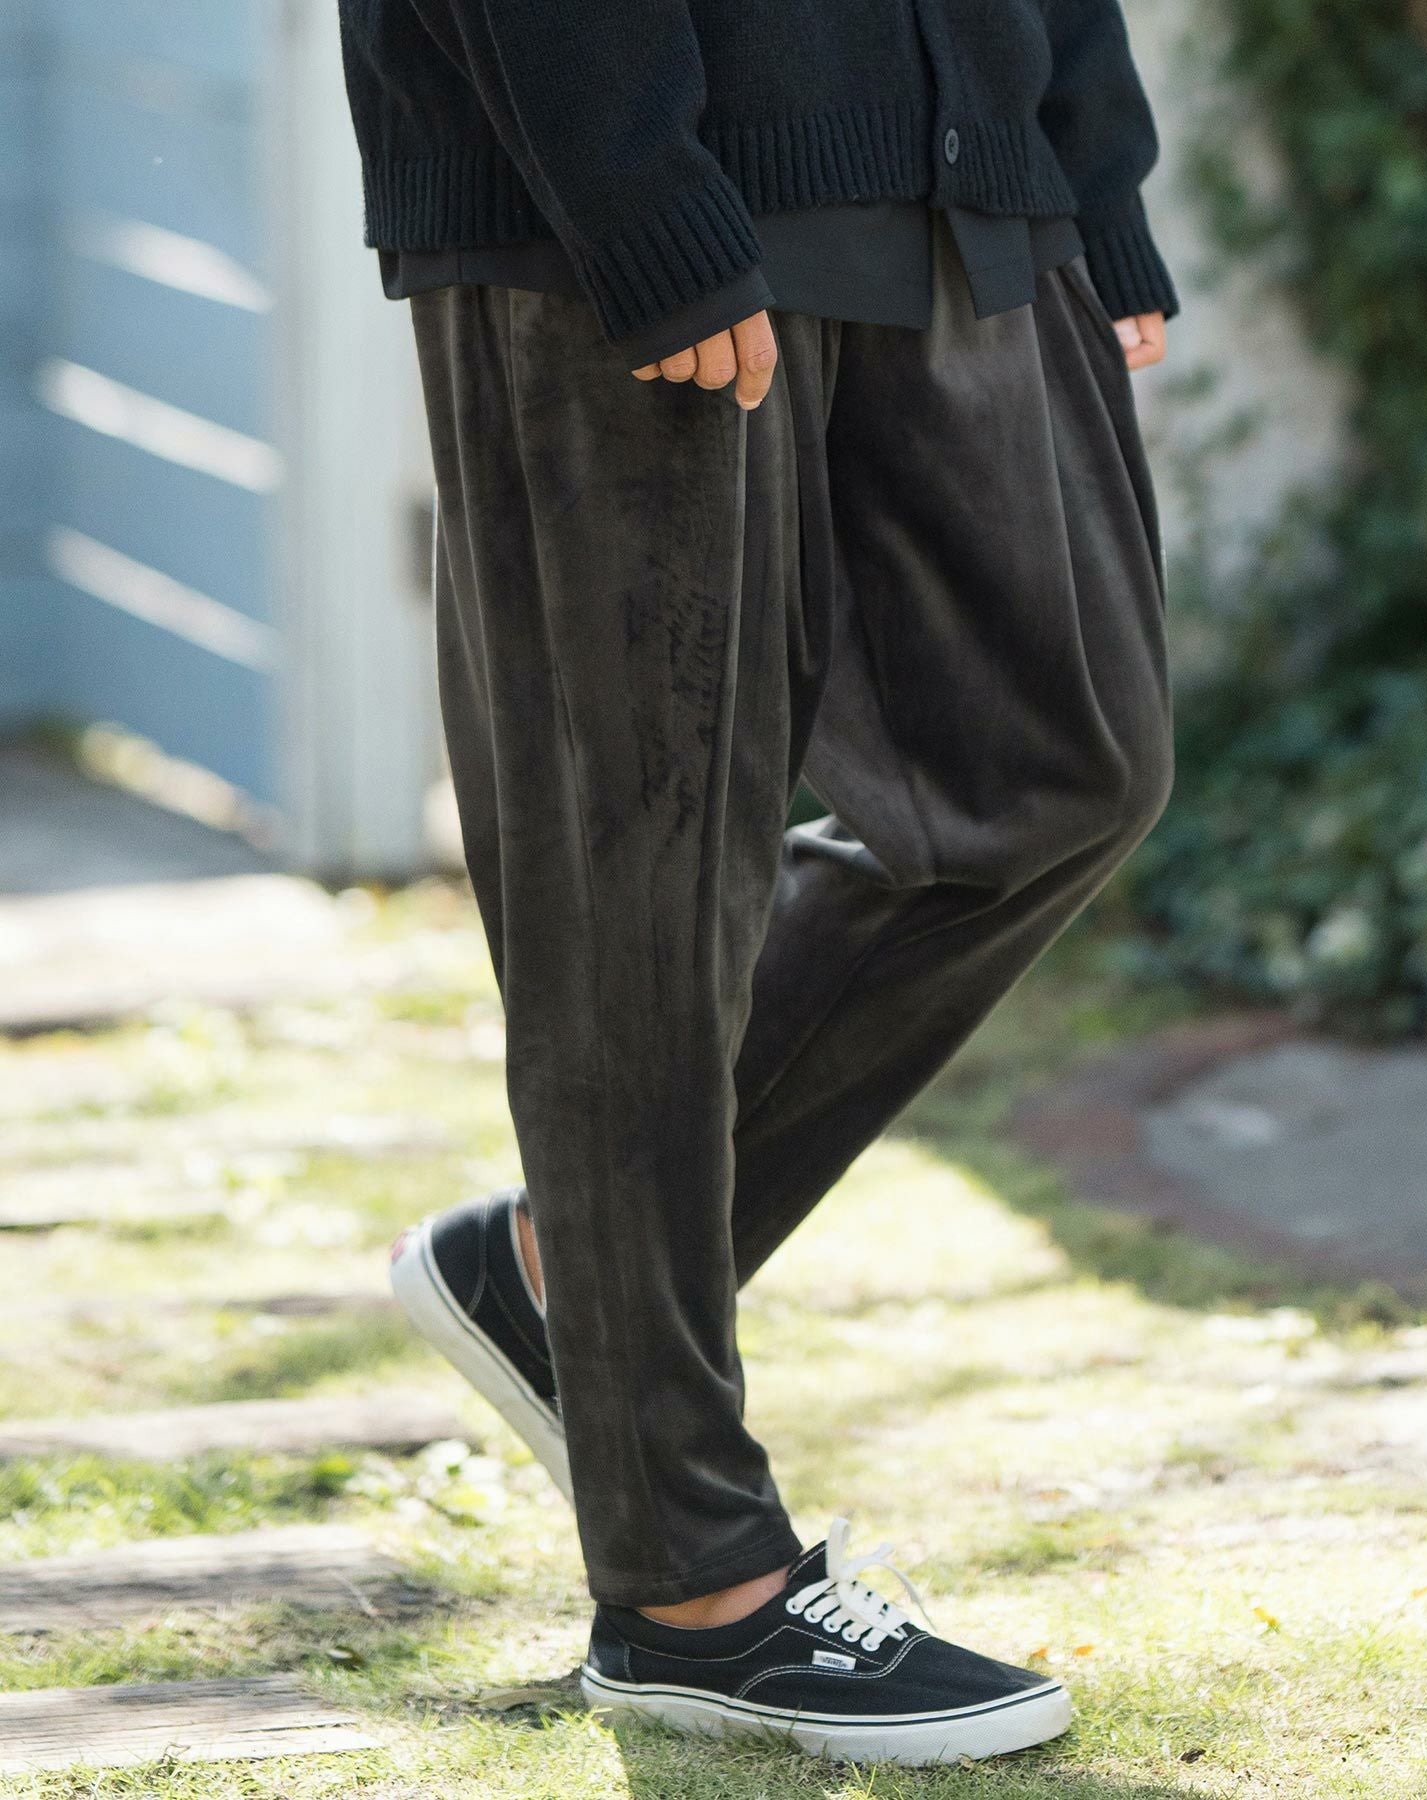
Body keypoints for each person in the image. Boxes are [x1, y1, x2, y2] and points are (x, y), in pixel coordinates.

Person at [340, 0, 1177, 1765]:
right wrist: (633, 190)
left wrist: (1088, 163)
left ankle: (568, 1272)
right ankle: (693, 1592)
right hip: (628, 190)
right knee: (641, 887)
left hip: (966, 169)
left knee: (1060, 772)